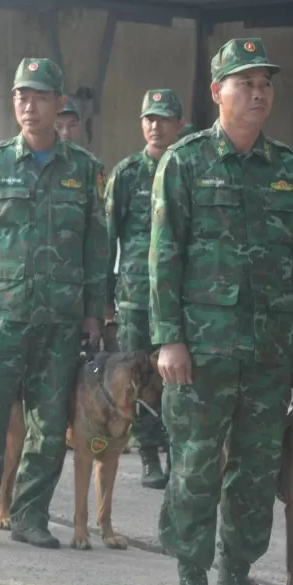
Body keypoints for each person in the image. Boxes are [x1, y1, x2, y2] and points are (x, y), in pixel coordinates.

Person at [150, 38, 293, 585]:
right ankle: (190, 579)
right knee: (196, 464)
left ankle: (234, 579)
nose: (258, 92)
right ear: (216, 91)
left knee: (254, 470)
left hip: (271, 352)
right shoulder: (186, 161)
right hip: (202, 350)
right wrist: (168, 336)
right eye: (245, 81)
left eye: (265, 83)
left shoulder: (290, 171)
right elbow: (163, 255)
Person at [0, 57, 106, 549]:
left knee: (49, 423)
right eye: (20, 96)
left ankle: (31, 516)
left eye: (38, 97)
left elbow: (96, 247)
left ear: (58, 104)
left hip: (60, 318)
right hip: (2, 314)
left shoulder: (85, 170)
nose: (28, 106)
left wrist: (95, 312)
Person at [105, 89, 185, 491]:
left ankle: (176, 452)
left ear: (179, 125)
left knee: (176, 376)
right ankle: (149, 453)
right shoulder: (125, 173)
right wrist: (102, 297)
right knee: (138, 374)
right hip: (135, 294)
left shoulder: (188, 169)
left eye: (164, 118)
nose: (156, 126)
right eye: (149, 118)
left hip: (179, 295)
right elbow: (107, 238)